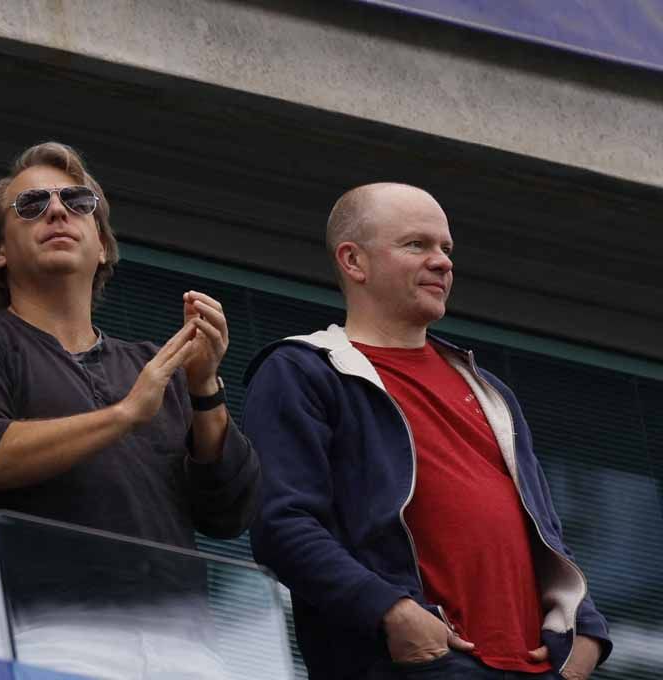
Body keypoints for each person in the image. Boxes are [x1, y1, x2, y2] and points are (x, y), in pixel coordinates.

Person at [0, 141, 262, 677]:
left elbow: (229, 509)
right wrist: (123, 415)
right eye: (30, 205)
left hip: (187, 649)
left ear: (102, 246)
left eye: (77, 202)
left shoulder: (152, 366)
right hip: (49, 637)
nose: (56, 211)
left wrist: (205, 386)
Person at [242, 183, 611, 680]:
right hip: (416, 663)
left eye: (446, 248)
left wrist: (586, 631)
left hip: (535, 668)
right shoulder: (304, 370)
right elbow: (281, 526)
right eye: (417, 245)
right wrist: (391, 613)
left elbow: (546, 532)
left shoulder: (489, 389)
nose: (442, 262)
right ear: (354, 262)